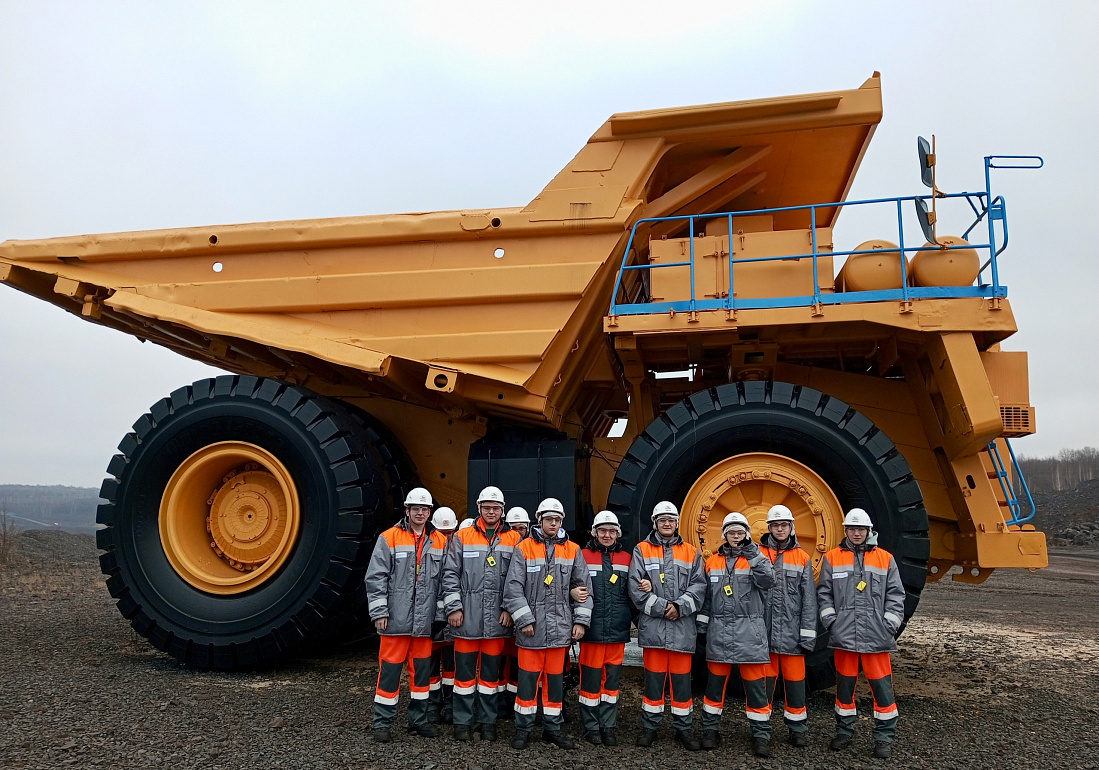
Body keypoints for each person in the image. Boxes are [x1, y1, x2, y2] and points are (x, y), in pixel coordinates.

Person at [503, 497, 593, 750]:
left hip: (559, 631)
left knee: (554, 685)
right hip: (531, 632)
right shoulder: (524, 548)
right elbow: (513, 589)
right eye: (549, 519)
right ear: (539, 520)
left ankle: (552, 729)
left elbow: (584, 589)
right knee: (527, 684)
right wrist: (524, 619)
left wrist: (581, 622)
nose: (553, 523)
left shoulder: (573, 550)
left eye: (557, 519)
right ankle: (523, 729)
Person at [818, 508, 906, 759]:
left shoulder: (885, 559)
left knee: (882, 690)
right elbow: (824, 594)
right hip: (844, 636)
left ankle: (884, 738)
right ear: (845, 531)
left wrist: (888, 626)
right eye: (852, 529)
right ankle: (844, 732)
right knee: (844, 689)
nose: (856, 533)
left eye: (861, 529)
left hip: (877, 636)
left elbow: (896, 595)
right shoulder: (832, 558)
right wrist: (832, 623)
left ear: (869, 531)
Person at [365, 487, 448, 742]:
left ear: (429, 512)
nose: (420, 513)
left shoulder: (441, 541)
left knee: (421, 676)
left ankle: (418, 721)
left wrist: (440, 616)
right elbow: (375, 578)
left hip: (424, 624)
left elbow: (446, 581)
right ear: (407, 510)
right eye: (416, 509)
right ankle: (382, 723)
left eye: (424, 509)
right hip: (394, 621)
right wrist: (379, 613)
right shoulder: (388, 538)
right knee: (389, 674)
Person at [440, 486, 522, 742]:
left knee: (490, 678)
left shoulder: (514, 539)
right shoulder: (462, 537)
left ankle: (488, 723)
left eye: (496, 508)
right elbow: (450, 574)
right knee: (464, 677)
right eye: (487, 507)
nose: (491, 512)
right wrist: (454, 608)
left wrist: (509, 609)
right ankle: (462, 723)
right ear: (478, 507)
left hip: (497, 622)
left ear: (502, 510)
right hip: (466, 620)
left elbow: (518, 579)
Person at [629, 501, 707, 751]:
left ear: (676, 523)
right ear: (655, 523)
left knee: (682, 684)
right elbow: (635, 588)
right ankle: (649, 728)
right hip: (655, 630)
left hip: (681, 630)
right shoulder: (641, 550)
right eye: (662, 520)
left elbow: (699, 587)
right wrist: (666, 608)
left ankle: (683, 730)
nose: (666, 524)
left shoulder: (692, 553)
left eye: (671, 520)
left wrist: (679, 607)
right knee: (653, 683)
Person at [698, 512, 775, 756]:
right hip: (719, 634)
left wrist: (752, 552)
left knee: (756, 690)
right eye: (731, 532)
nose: (736, 536)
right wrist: (702, 628)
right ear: (724, 535)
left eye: (740, 532)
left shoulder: (756, 558)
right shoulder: (712, 562)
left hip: (749, 635)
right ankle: (710, 731)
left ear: (747, 534)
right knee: (713, 689)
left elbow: (768, 580)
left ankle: (761, 736)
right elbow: (706, 599)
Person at [759, 504, 818, 747]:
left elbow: (809, 601)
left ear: (791, 527)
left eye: (784, 525)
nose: (780, 529)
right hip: (765, 637)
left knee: (795, 687)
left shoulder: (802, 558)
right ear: (769, 528)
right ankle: (761, 732)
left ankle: (797, 730)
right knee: (763, 688)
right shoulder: (757, 555)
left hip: (793, 637)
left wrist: (807, 637)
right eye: (775, 525)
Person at [577, 510, 632, 747]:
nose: (607, 535)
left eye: (611, 531)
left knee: (611, 683)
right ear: (595, 532)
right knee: (590, 682)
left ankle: (607, 726)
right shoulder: (582, 555)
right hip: (592, 629)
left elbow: (633, 593)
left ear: (617, 533)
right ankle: (590, 727)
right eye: (602, 531)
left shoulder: (627, 558)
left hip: (617, 630)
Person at [427, 506, 458, 725]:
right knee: (429, 669)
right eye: (443, 532)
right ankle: (432, 706)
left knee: (451, 669)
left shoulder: (460, 551)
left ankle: (450, 706)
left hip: (451, 623)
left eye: (450, 532)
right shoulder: (426, 550)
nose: (446, 537)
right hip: (431, 622)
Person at [500, 506, 533, 711]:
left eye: (521, 528)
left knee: (520, 662)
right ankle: (504, 702)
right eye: (514, 528)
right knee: (505, 660)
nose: (518, 533)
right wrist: (507, 609)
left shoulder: (532, 549)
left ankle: (517, 700)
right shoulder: (503, 547)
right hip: (507, 613)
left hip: (527, 614)